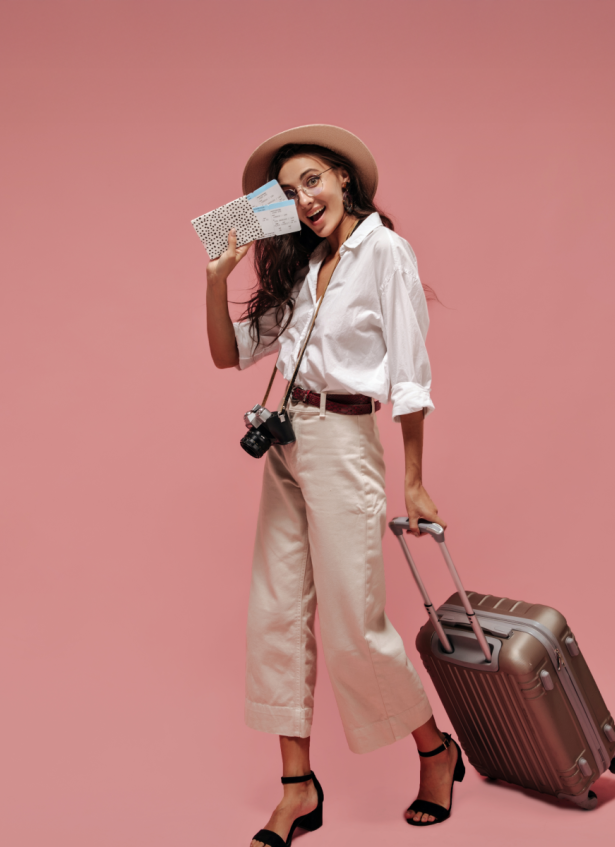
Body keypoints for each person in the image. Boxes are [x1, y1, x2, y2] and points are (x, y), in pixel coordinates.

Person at [204, 125, 463, 847]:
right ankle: (298, 788)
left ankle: (435, 750)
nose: (303, 198)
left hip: (345, 441)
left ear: (346, 178)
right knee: (277, 610)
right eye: (287, 193)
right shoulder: (303, 262)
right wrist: (216, 274)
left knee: (355, 622)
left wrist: (414, 480)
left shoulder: (384, 250)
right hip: (289, 437)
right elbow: (231, 356)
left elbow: (410, 375)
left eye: (312, 180)